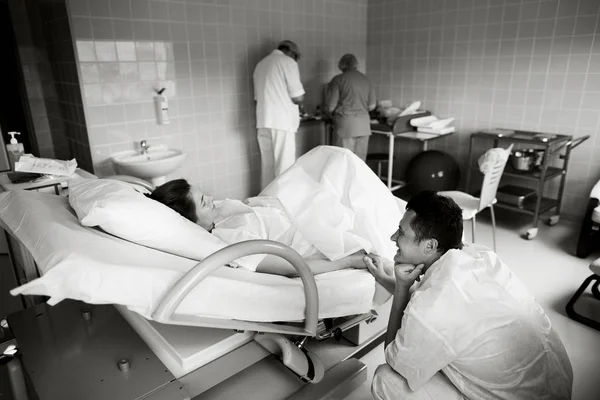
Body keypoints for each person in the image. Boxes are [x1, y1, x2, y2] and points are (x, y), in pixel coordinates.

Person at [365, 191, 573, 400]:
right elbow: (431, 300)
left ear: (430, 246)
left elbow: (394, 359)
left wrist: (401, 287)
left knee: (386, 379)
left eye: (400, 232)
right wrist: (388, 279)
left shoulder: (433, 306)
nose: (393, 237)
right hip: (556, 383)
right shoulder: (478, 256)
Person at [146, 178, 368, 277]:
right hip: (312, 229)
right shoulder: (232, 243)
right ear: (190, 220)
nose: (212, 198)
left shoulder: (218, 216)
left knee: (331, 159)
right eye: (204, 201)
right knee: (340, 162)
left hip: (298, 205)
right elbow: (293, 266)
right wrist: (347, 261)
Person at [253, 40, 305, 189]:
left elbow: (257, 97)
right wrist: (301, 104)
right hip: (282, 122)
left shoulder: (261, 64)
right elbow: (298, 97)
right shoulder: (288, 62)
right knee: (284, 166)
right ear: (292, 53)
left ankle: (267, 206)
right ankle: (284, 206)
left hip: (263, 120)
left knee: (268, 167)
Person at [325, 54, 376, 162]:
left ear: (342, 65)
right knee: (360, 162)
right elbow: (372, 106)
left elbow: (330, 107)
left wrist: (328, 112)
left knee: (343, 160)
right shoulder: (365, 79)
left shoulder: (338, 79)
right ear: (356, 65)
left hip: (346, 126)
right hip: (363, 127)